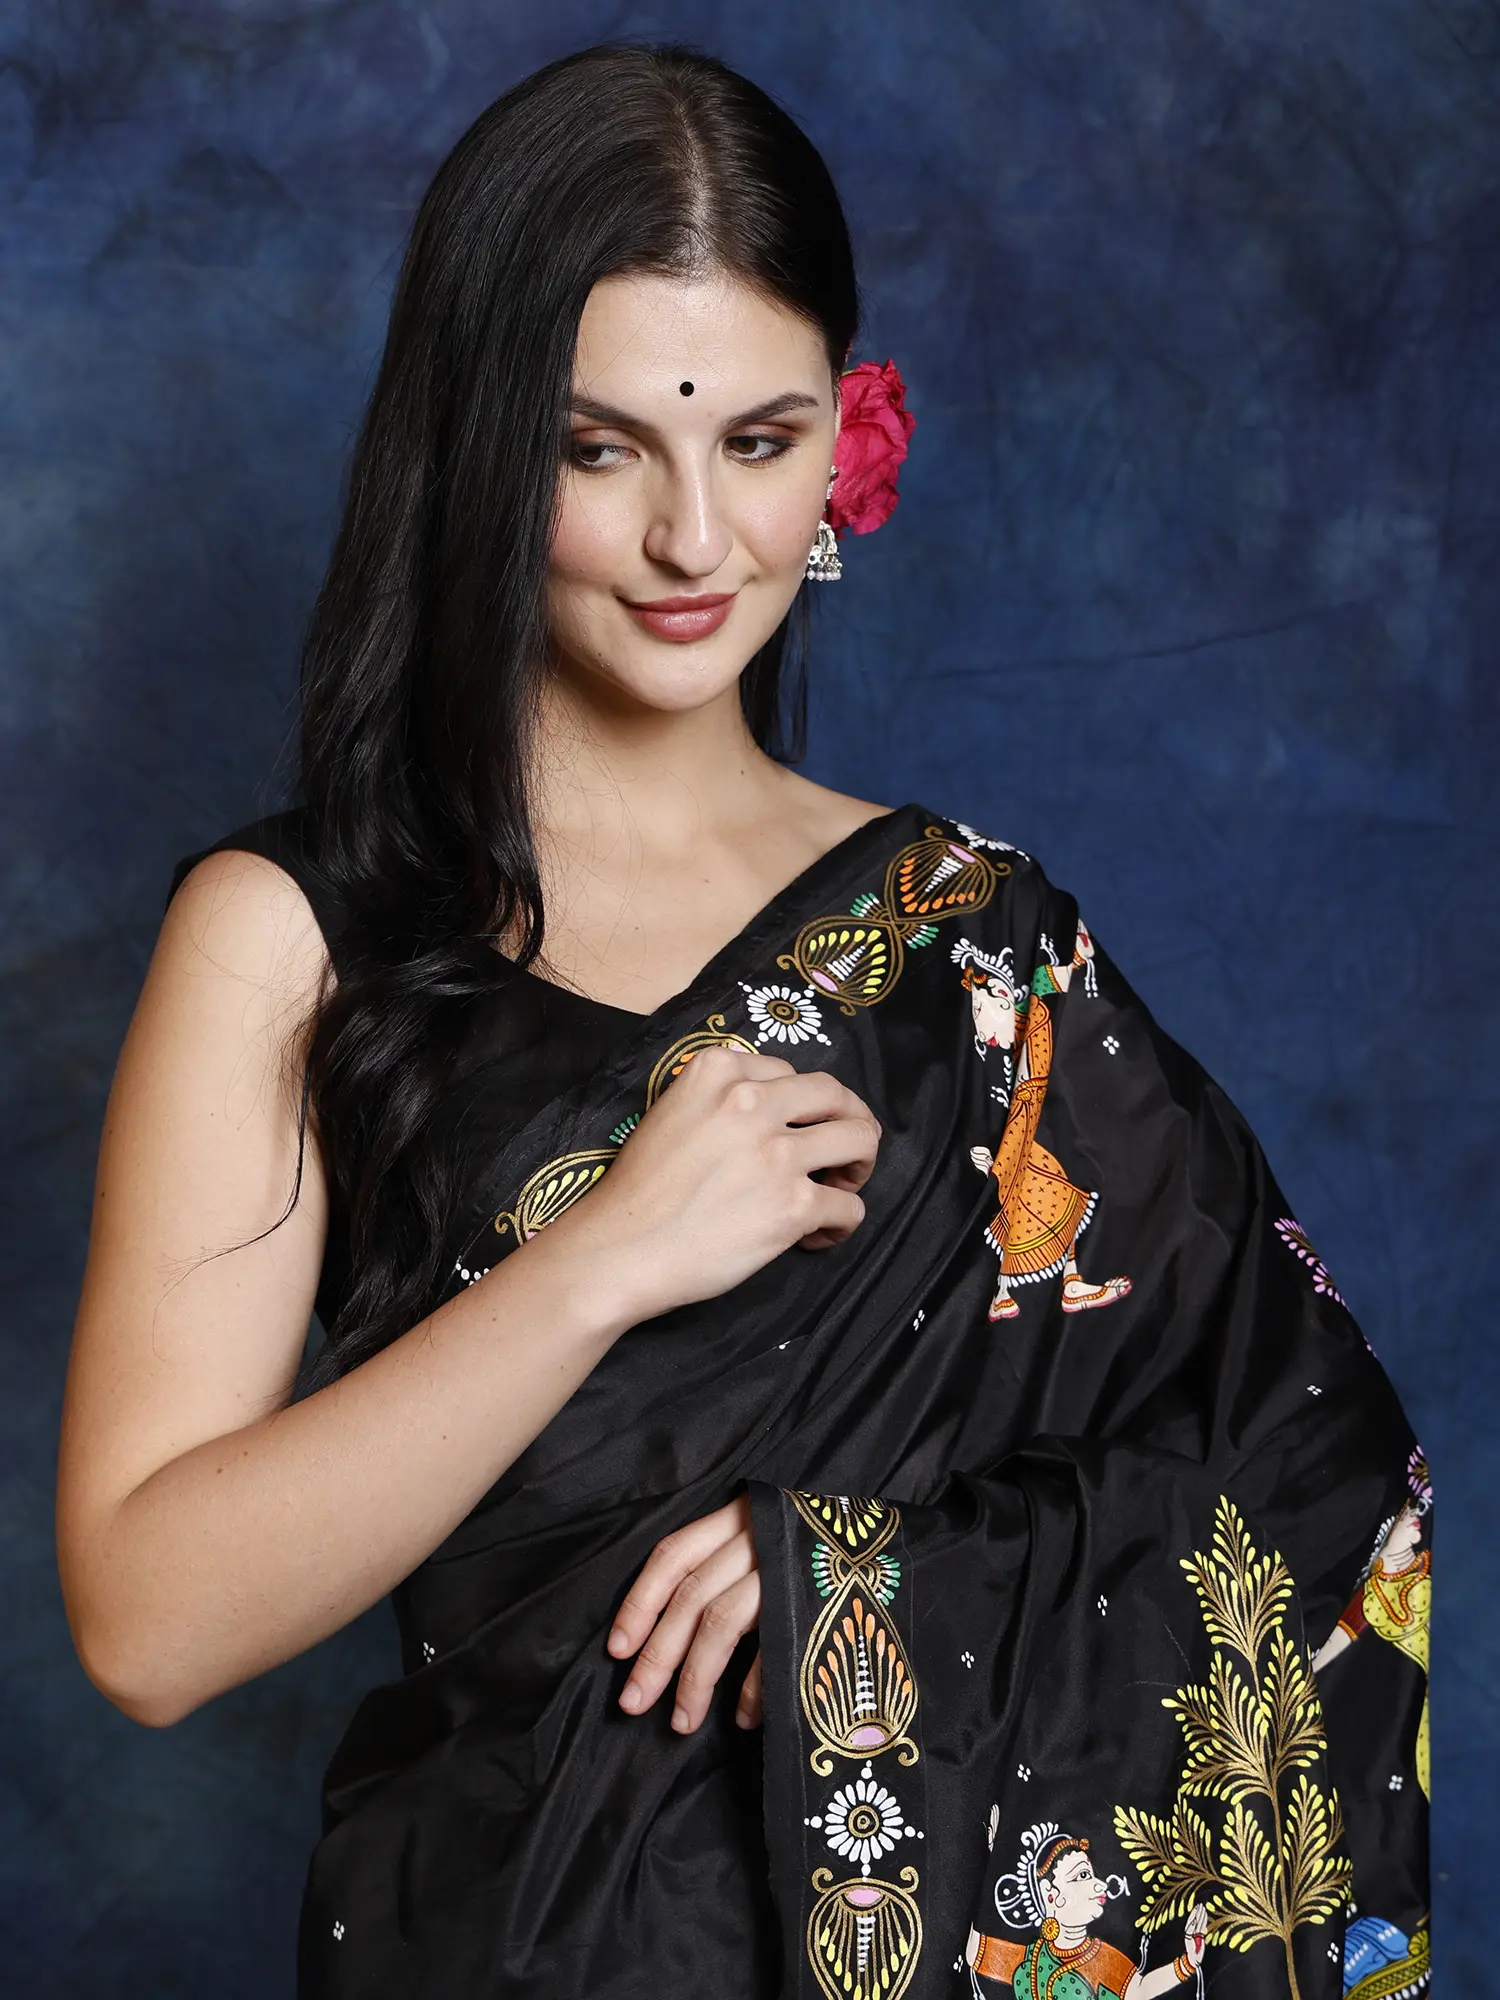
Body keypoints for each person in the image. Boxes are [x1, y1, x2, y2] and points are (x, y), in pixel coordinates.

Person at [55, 43, 1429, 2000]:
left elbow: (1315, 1479)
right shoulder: (298, 941)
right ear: (480, 449)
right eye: (601, 449)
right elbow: (146, 1620)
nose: (698, 540)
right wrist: (601, 1261)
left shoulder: (973, 945)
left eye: (760, 441)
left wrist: (864, 1587)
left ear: (846, 444)